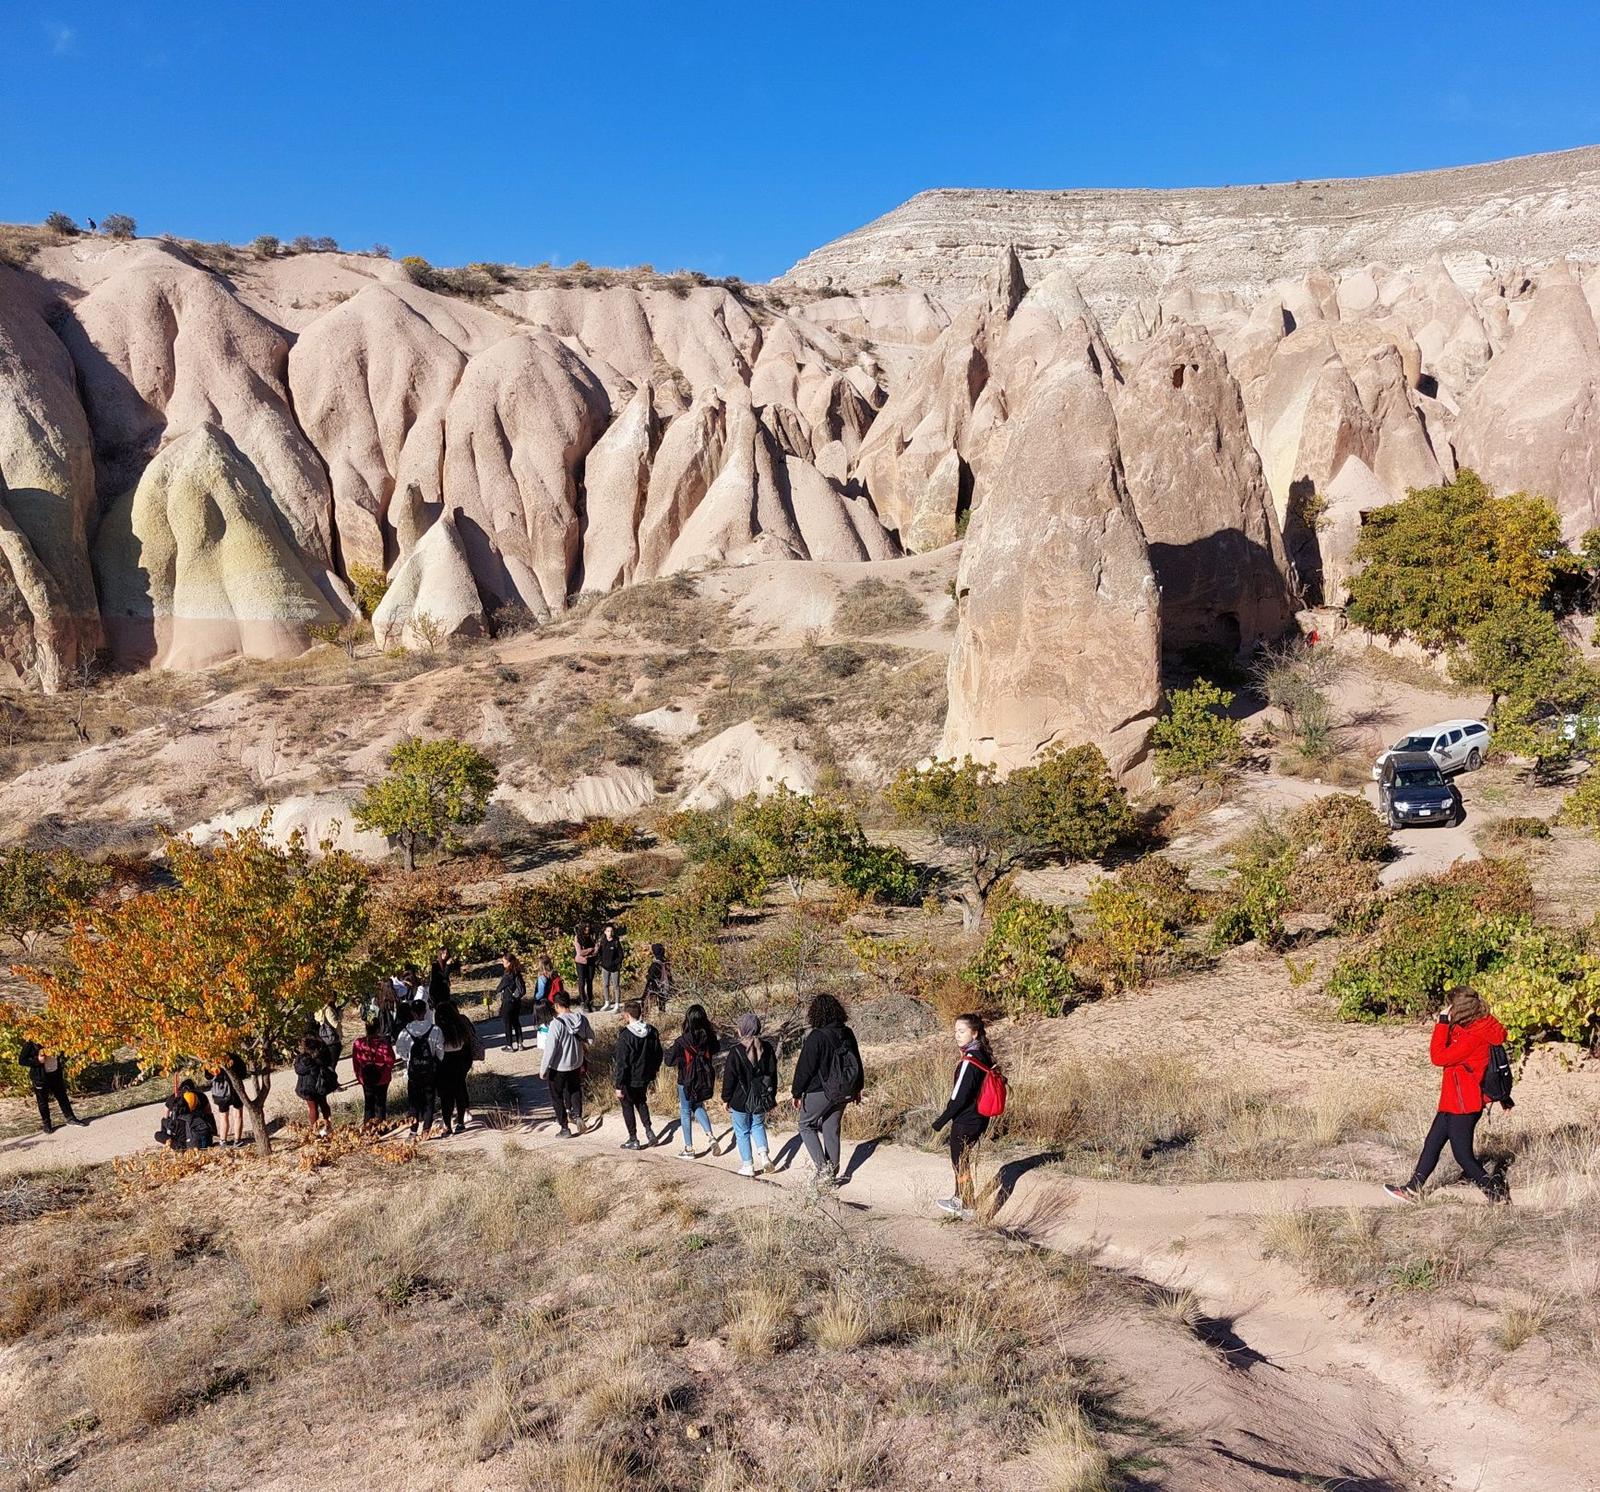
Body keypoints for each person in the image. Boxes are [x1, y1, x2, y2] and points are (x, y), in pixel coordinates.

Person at [1386, 986, 1511, 1204]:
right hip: (1454, 1099)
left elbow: (1438, 1056)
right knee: (1432, 1143)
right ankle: (1413, 1189)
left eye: (1451, 1005)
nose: (1447, 1008)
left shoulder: (1473, 1036)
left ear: (1460, 1008)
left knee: (1463, 1155)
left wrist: (1442, 1023)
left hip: (1464, 1104)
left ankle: (1496, 1194)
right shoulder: (1476, 1025)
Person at [791, 993, 864, 1187]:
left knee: (805, 1125)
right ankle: (830, 1174)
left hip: (820, 1090)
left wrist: (796, 1093)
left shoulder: (817, 1036)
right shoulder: (847, 1033)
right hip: (845, 1090)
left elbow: (805, 1068)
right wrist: (857, 1089)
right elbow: (857, 1061)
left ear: (815, 1013)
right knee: (831, 1130)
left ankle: (823, 1171)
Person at [930, 1013, 995, 1217]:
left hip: (966, 1119)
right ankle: (961, 1200)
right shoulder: (983, 1054)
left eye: (962, 1031)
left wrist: (940, 1121)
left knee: (959, 1161)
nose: (957, 1035)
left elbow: (958, 1097)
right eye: (955, 1031)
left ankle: (966, 1205)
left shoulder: (971, 1059)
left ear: (974, 1033)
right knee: (962, 1159)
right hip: (980, 1117)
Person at [722, 1014, 777, 1178]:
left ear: (742, 1030)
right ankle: (764, 1156)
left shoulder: (736, 1051)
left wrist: (726, 1098)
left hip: (740, 1099)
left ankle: (748, 1165)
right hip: (761, 1097)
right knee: (758, 1125)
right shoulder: (767, 1048)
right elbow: (773, 1075)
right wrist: (772, 1096)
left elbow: (729, 1078)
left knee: (742, 1131)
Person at [664, 1004, 720, 1160]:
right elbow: (716, 1049)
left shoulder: (681, 1041)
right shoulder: (709, 1038)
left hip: (685, 1081)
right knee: (698, 1106)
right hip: (703, 1080)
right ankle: (711, 1136)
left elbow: (669, 1061)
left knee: (685, 1111)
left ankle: (689, 1148)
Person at [540, 988, 594, 1136]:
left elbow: (550, 1049)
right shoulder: (582, 1019)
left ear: (557, 1005)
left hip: (558, 1066)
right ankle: (578, 1116)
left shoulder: (556, 1024)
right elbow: (591, 1039)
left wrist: (543, 1069)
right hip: (576, 1063)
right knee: (575, 1089)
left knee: (557, 1096)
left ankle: (564, 1128)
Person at [612, 999, 663, 1150]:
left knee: (627, 1105)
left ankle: (633, 1138)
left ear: (627, 1015)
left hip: (629, 1078)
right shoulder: (652, 1031)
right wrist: (653, 1070)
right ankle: (649, 1131)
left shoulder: (625, 1035)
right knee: (641, 1102)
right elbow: (658, 1054)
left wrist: (618, 1085)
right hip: (645, 1076)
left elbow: (622, 1063)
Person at [396, 996, 445, 1138]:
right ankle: (426, 1130)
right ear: (425, 1011)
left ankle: (413, 1131)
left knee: (413, 1102)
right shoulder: (435, 1029)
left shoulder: (405, 1031)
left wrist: (409, 1058)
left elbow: (400, 1051)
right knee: (429, 1100)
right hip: (429, 1071)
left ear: (412, 1013)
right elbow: (440, 1051)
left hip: (414, 1071)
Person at [16, 1042, 86, 1134]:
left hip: (55, 1073)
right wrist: (37, 1060)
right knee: (43, 1102)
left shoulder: (54, 1038)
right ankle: (47, 1124)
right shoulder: (31, 1043)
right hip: (40, 1077)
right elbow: (22, 1060)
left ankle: (71, 1118)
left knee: (62, 1097)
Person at [434, 999, 478, 1135]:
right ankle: (460, 1122)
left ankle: (447, 1125)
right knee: (459, 1092)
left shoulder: (438, 1030)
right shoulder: (459, 1027)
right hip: (458, 1061)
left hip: (444, 1063)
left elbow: (437, 1049)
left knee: (446, 1096)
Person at [352, 1019, 397, 1124]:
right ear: (378, 1029)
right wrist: (385, 1072)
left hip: (365, 1077)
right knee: (380, 1103)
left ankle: (368, 1126)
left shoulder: (359, 1043)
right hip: (382, 1077)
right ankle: (381, 1126)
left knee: (369, 1103)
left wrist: (359, 1076)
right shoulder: (384, 1043)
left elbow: (355, 1061)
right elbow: (390, 1060)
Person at [156, 1077, 216, 1151]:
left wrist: (167, 1130)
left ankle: (178, 1146)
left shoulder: (173, 1098)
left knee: (158, 1135)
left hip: (180, 1131)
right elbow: (209, 1113)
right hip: (197, 1128)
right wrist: (213, 1131)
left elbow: (165, 1117)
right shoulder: (201, 1096)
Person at [294, 1035, 336, 1138]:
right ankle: (327, 1127)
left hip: (305, 1087)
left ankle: (314, 1131)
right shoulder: (319, 1058)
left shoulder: (300, 1060)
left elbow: (298, 1070)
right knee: (324, 1105)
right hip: (319, 1085)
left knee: (312, 1108)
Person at [206, 1053, 248, 1146]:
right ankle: (237, 1140)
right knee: (238, 1115)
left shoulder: (212, 1060)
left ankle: (223, 1140)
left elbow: (208, 1076)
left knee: (223, 1116)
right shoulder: (235, 1058)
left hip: (221, 1092)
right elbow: (244, 1074)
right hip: (236, 1091)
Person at [495, 953, 527, 1052]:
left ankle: (509, 1045)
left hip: (508, 1001)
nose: (502, 963)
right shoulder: (517, 972)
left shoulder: (507, 974)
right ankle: (520, 1044)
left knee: (507, 1023)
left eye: (504, 961)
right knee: (516, 1022)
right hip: (517, 1001)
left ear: (508, 963)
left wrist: (499, 990)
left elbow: (499, 988)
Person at [596, 923, 625, 1012]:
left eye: (611, 931)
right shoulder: (602, 942)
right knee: (605, 985)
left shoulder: (616, 942)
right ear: (605, 932)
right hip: (605, 967)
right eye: (608, 931)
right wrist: (601, 962)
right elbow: (599, 954)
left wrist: (615, 963)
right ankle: (607, 1003)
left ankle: (617, 1004)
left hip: (615, 968)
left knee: (616, 985)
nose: (610, 933)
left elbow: (621, 955)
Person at [573, 924, 598, 1011]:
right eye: (585, 928)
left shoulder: (592, 936)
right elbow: (580, 952)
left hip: (591, 961)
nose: (587, 929)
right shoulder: (578, 937)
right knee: (582, 981)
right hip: (581, 962)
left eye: (588, 928)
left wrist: (592, 951)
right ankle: (583, 1001)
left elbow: (596, 949)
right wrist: (590, 950)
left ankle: (590, 1001)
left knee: (590, 981)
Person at [643, 942, 672, 1014]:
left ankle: (644, 1014)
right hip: (663, 986)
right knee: (662, 1003)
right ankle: (662, 1014)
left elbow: (650, 977)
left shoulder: (655, 964)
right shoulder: (666, 962)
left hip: (654, 986)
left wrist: (647, 977)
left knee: (646, 1003)